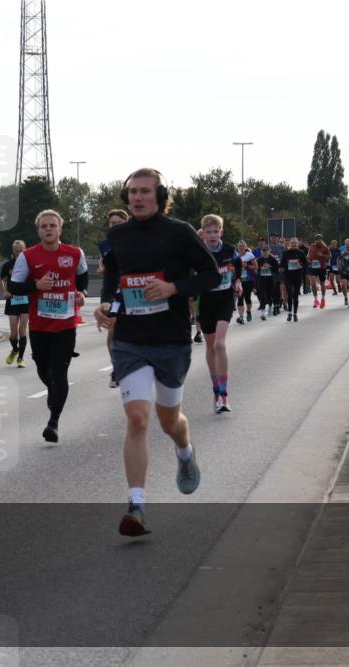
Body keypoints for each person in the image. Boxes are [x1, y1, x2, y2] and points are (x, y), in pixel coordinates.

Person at [95, 168, 218, 536]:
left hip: (170, 340)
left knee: (170, 422)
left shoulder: (179, 232)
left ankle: (185, 451)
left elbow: (211, 276)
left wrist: (172, 289)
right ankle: (137, 505)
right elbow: (112, 280)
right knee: (137, 418)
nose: (137, 197)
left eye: (145, 191)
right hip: (131, 340)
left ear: (159, 195)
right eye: (132, 192)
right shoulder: (117, 235)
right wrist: (103, 305)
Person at [8, 209, 89, 443]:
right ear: (38, 230)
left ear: (60, 229)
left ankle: (53, 422)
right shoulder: (28, 256)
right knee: (44, 371)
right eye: (44, 226)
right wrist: (36, 284)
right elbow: (14, 287)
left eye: (52, 225)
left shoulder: (74, 253)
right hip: (39, 325)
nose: (48, 229)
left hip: (65, 324)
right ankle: (54, 394)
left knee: (59, 371)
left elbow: (82, 276)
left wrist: (81, 292)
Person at [197, 215, 242, 413]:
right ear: (203, 233)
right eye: (209, 232)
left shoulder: (230, 249)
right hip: (206, 301)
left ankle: (224, 394)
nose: (213, 235)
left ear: (221, 231)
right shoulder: (199, 252)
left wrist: (238, 282)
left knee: (219, 343)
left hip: (225, 298)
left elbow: (238, 267)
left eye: (216, 231)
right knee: (210, 347)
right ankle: (215, 390)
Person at [97, 209, 130, 387]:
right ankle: (116, 366)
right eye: (112, 224)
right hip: (117, 293)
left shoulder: (138, 239)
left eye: (119, 223)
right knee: (112, 329)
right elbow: (109, 270)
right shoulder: (105, 245)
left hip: (137, 292)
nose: (116, 226)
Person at [0, 240, 30, 369]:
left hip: (26, 300)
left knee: (22, 329)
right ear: (13, 251)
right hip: (13, 300)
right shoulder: (8, 265)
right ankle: (15, 349)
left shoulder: (29, 263)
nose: (19, 253)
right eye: (16, 251)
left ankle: (21, 358)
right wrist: (4, 292)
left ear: (25, 249)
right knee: (13, 333)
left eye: (21, 250)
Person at [281, 237, 308, 321]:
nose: (294, 244)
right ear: (290, 244)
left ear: (297, 244)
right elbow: (281, 263)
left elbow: (306, 263)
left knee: (295, 296)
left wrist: (301, 266)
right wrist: (281, 267)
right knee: (289, 295)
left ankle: (295, 314)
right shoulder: (286, 253)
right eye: (292, 243)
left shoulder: (301, 252)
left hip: (297, 276)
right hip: (288, 276)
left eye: (295, 243)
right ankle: (289, 313)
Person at [235, 239, 256, 324]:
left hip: (248, 279)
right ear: (237, 247)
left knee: (247, 297)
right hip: (238, 280)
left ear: (246, 247)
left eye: (243, 246)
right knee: (240, 298)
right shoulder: (235, 256)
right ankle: (241, 316)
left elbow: (256, 267)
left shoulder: (250, 255)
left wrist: (246, 265)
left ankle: (248, 311)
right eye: (240, 246)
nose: (241, 247)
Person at [255, 246, 280, 320]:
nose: (264, 252)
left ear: (268, 251)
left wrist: (270, 267)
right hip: (262, 279)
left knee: (269, 294)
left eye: (265, 251)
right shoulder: (259, 260)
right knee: (263, 294)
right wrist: (257, 270)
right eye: (263, 251)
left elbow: (277, 270)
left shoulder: (273, 259)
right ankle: (262, 312)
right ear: (261, 252)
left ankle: (270, 306)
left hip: (270, 279)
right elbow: (256, 269)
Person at [307, 234, 330, 309]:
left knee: (322, 283)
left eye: (320, 239)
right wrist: (308, 258)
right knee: (313, 283)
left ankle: (323, 299)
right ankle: (316, 300)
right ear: (315, 240)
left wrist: (323, 255)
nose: (318, 241)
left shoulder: (325, 247)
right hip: (313, 266)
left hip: (322, 267)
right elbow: (308, 255)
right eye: (317, 239)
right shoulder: (311, 246)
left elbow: (330, 256)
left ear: (321, 240)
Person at [267, 233, 286, 315]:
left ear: (278, 239)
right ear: (271, 239)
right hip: (270, 270)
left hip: (279, 270)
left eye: (275, 238)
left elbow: (285, 258)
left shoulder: (282, 247)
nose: (274, 239)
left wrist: (283, 266)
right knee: (272, 288)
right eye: (272, 238)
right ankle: (274, 305)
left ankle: (277, 305)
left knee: (278, 287)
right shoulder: (268, 247)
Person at [337, 238, 349, 309]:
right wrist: (338, 266)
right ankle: (345, 297)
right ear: (345, 245)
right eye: (346, 244)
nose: (348, 245)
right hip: (344, 271)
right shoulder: (342, 253)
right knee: (343, 284)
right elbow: (338, 259)